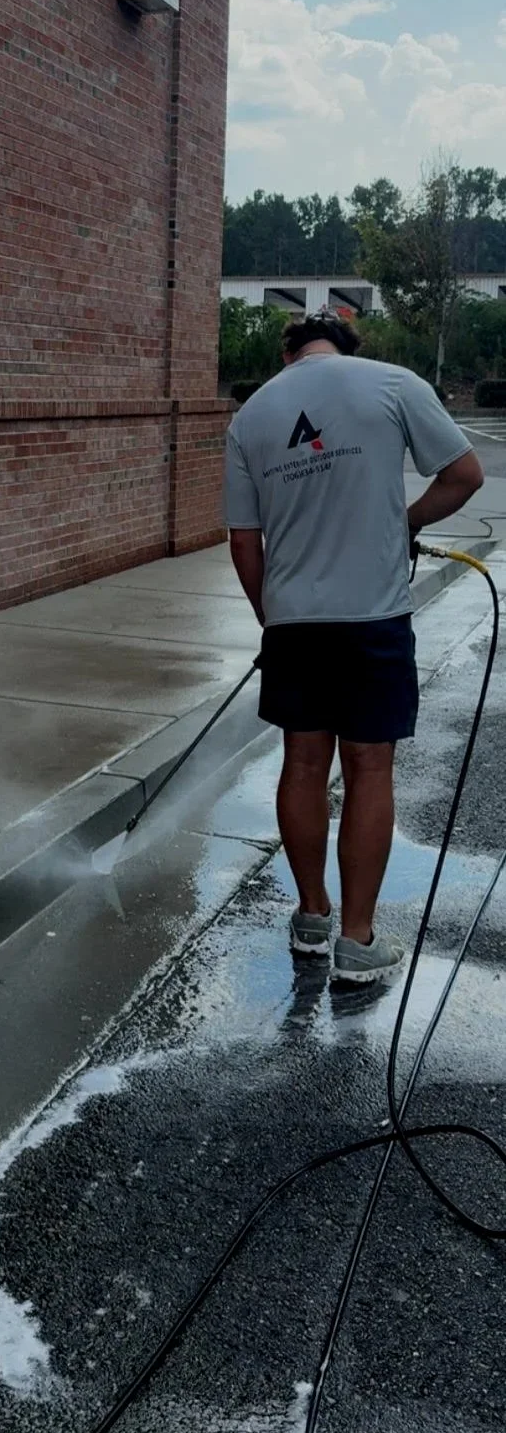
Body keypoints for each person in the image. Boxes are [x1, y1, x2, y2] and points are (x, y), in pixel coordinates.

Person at [226, 311, 485, 984]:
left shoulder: (252, 415)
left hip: (295, 623)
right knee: (369, 768)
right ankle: (357, 939)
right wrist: (406, 522)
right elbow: (464, 474)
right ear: (345, 347)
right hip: (373, 616)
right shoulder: (393, 384)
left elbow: (244, 541)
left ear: (288, 355)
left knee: (303, 764)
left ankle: (312, 915)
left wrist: (272, 620)